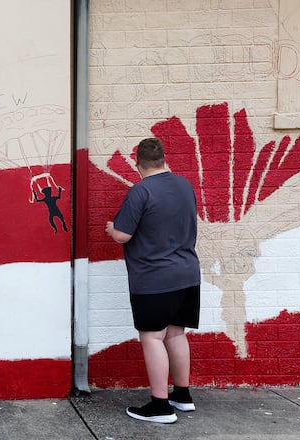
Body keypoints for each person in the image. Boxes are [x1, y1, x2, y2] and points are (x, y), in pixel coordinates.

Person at [105, 138, 201, 424]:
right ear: (163, 160)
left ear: (138, 165)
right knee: (176, 333)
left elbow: (123, 234)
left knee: (152, 337)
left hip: (154, 276)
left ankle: (160, 406)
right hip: (188, 273)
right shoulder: (185, 185)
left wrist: (111, 229)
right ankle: (182, 396)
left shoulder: (141, 191)